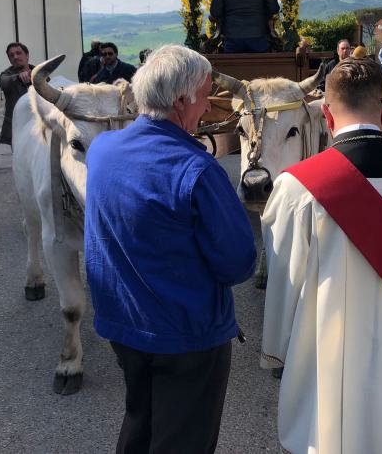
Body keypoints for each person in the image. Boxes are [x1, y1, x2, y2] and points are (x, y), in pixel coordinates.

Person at [260, 57, 382, 454]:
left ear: (327, 116)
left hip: (328, 371)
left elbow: (282, 285)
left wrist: (278, 353)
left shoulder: (297, 189)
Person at [84, 45, 257, 454]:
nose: (208, 107)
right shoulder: (196, 170)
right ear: (181, 100)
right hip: (187, 337)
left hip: (123, 326)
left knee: (139, 424)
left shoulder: (103, 150)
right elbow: (238, 263)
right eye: (205, 95)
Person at [0, 42, 33, 146]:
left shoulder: (39, 72)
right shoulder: (6, 75)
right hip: (17, 128)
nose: (15, 57)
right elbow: (3, 83)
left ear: (27, 55)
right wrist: (18, 77)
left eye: (19, 53)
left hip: (38, 126)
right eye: (11, 55)